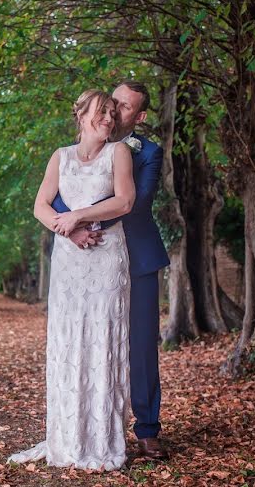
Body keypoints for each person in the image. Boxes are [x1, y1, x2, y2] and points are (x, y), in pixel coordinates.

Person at [8, 89, 136, 470]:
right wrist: (70, 231)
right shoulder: (59, 158)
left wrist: (78, 215)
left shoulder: (119, 153)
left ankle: (101, 440)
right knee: (69, 341)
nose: (109, 120)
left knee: (103, 341)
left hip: (107, 257)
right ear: (80, 116)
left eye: (113, 113)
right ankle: (66, 438)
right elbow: (41, 206)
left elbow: (125, 202)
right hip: (69, 260)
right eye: (101, 112)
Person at [56, 80, 170, 461]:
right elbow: (58, 198)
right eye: (113, 103)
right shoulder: (75, 152)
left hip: (135, 258)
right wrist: (70, 231)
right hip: (86, 259)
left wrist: (81, 220)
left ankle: (148, 429)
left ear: (139, 116)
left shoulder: (148, 152)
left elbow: (135, 204)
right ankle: (95, 427)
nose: (116, 111)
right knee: (91, 343)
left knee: (139, 347)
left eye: (125, 107)